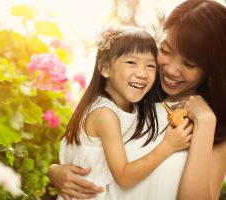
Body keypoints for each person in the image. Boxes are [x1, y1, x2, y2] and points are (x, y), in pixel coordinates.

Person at [48, 0, 226, 200]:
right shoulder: (133, 96)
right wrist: (56, 172)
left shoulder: (216, 129)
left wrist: (206, 122)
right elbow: (86, 150)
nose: (171, 70)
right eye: (166, 50)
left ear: (211, 69)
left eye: (189, 63)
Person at [57, 26, 192, 200]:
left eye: (150, 66)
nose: (142, 73)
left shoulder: (132, 108)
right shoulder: (105, 115)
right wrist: (169, 146)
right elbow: (123, 177)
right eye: (131, 62)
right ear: (105, 68)